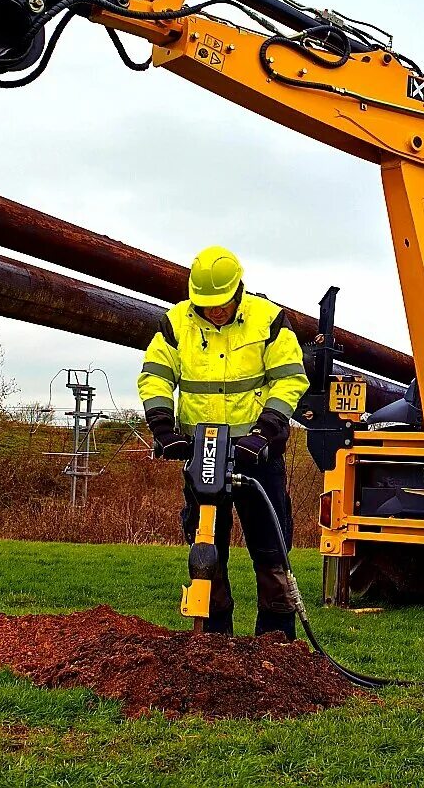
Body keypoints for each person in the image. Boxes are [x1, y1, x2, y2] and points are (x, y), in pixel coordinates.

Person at [137, 245, 310, 639]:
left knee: (271, 549)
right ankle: (214, 639)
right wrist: (163, 428)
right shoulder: (176, 323)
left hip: (256, 452)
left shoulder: (268, 321)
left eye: (222, 304)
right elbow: (155, 375)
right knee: (205, 547)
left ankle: (277, 640)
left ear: (238, 291)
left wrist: (266, 430)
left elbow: (290, 378)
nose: (214, 312)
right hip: (202, 452)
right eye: (206, 305)